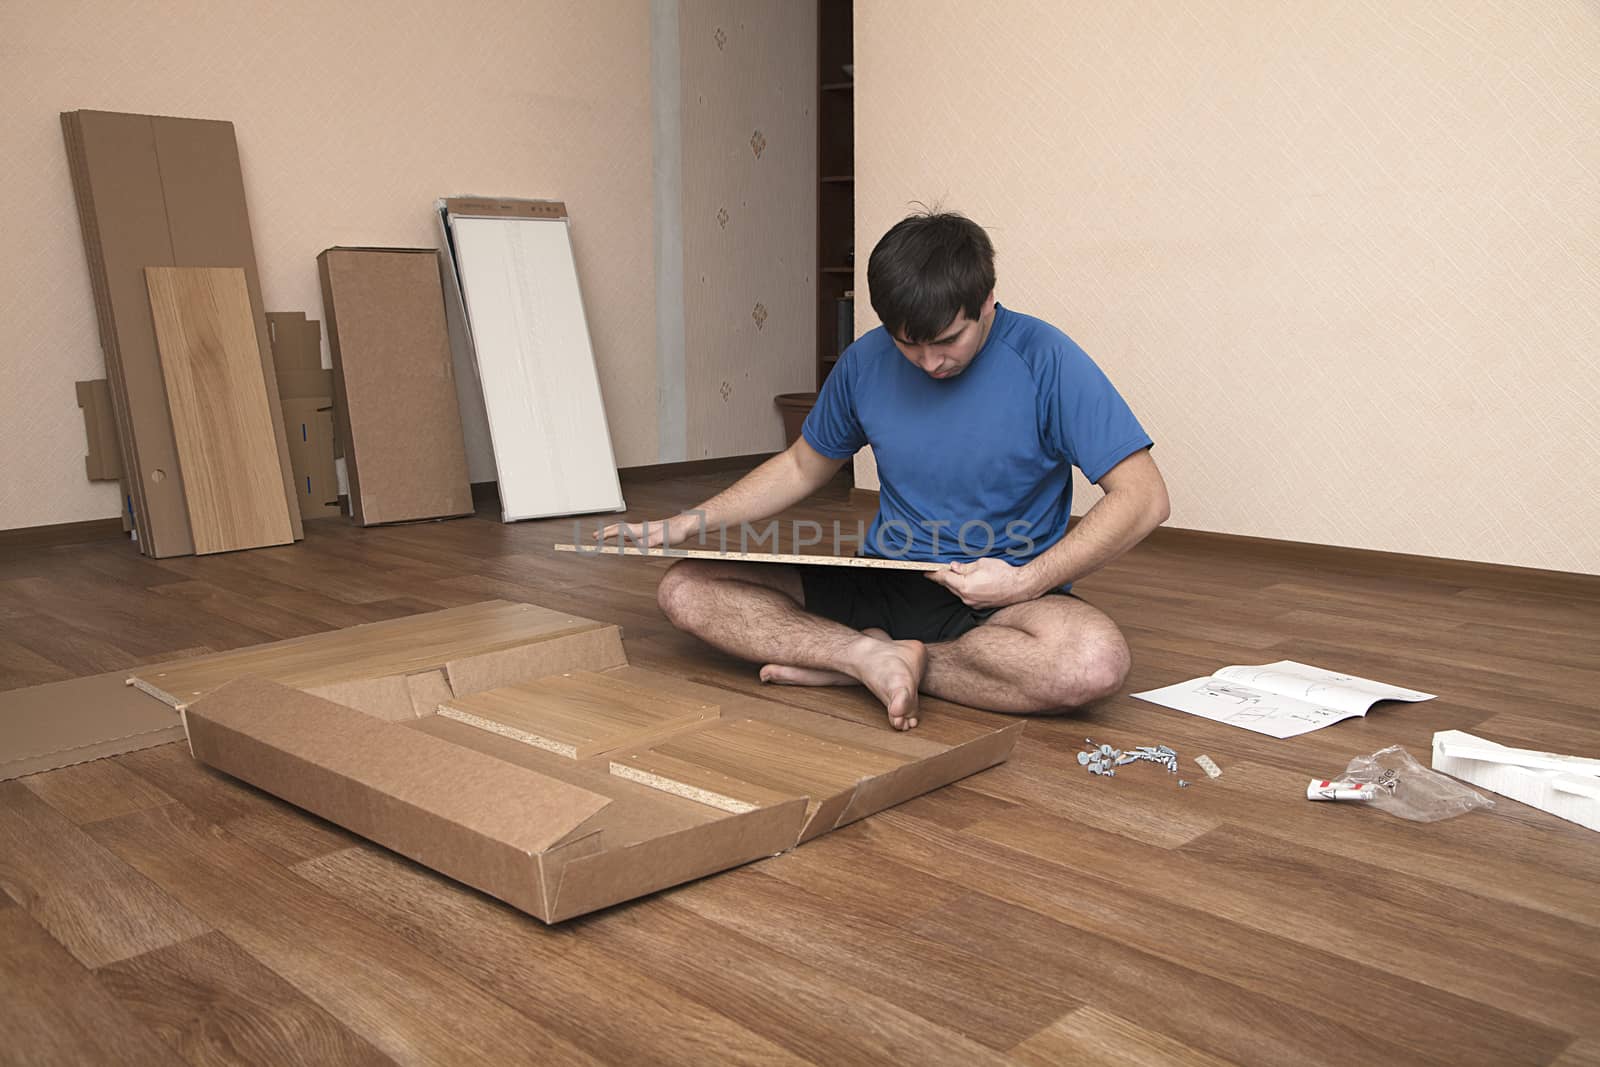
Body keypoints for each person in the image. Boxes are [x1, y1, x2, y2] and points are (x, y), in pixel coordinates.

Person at [598, 211, 1169, 731]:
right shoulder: (866, 360)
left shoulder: (1045, 358)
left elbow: (1143, 496)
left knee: (1092, 663)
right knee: (685, 589)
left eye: (949, 341)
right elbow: (802, 464)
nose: (930, 362)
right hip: (885, 573)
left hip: (997, 593)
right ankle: (865, 656)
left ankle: (882, 659)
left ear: (987, 302)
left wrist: (1026, 580)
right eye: (909, 346)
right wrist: (687, 523)